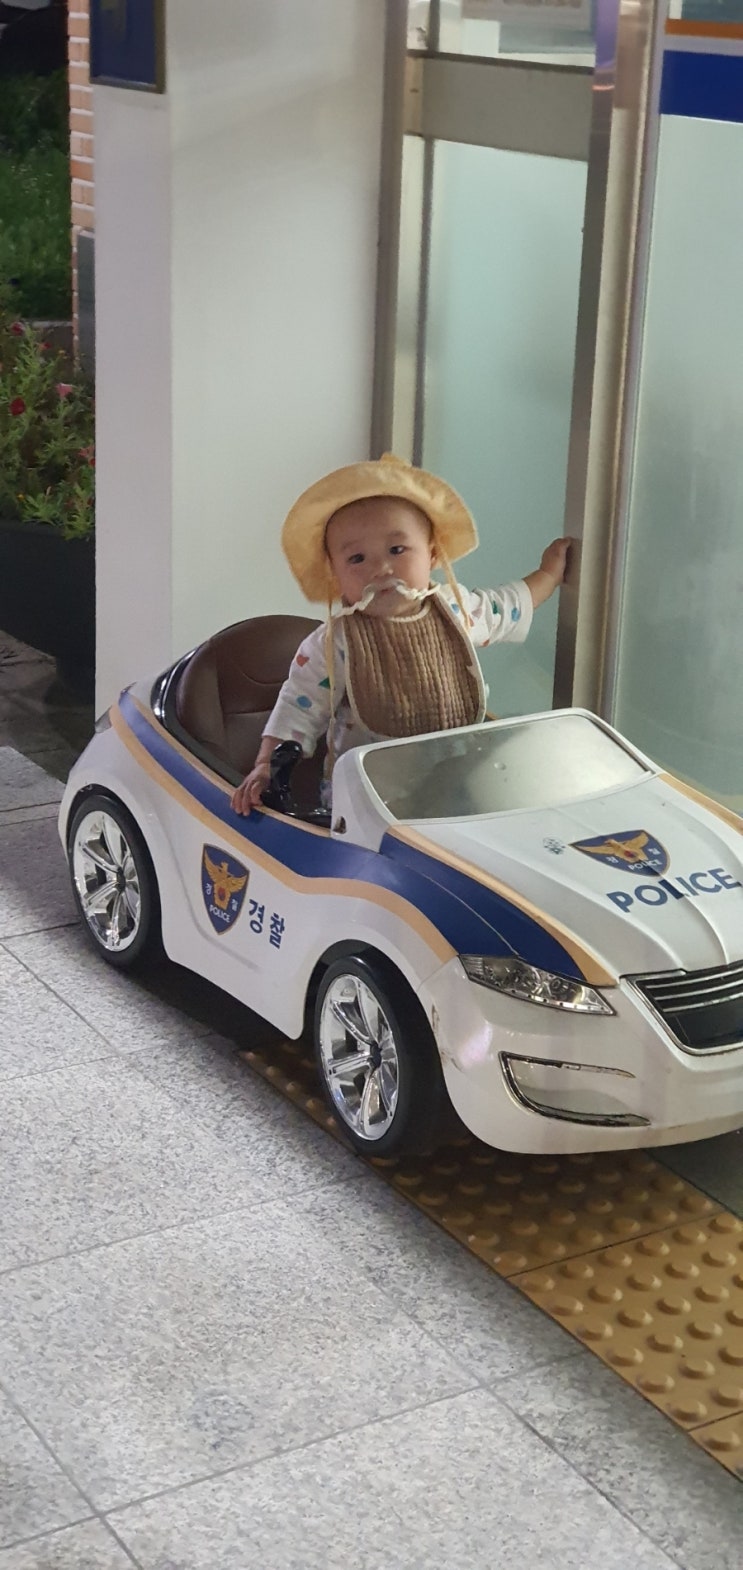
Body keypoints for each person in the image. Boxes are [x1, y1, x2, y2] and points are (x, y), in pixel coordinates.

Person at [231, 455, 570, 814]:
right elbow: (297, 708)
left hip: (457, 790)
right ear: (334, 575)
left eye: (397, 550)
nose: (381, 568)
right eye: (357, 559)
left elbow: (505, 609)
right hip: (370, 803)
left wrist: (548, 575)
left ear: (433, 555)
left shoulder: (454, 611)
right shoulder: (335, 645)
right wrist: (266, 765)